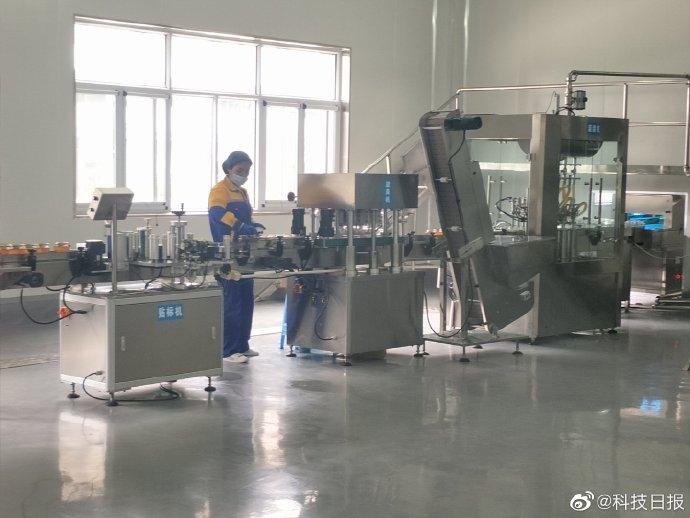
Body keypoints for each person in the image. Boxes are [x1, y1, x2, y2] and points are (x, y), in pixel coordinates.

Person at [208, 151, 265, 363]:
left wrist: (253, 226)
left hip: (244, 252)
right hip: (227, 252)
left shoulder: (242, 192)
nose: (244, 175)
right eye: (240, 170)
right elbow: (217, 214)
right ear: (228, 169)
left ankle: (242, 345)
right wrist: (239, 226)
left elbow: (246, 217)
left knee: (246, 299)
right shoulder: (219, 190)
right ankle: (229, 349)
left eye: (247, 171)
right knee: (232, 301)